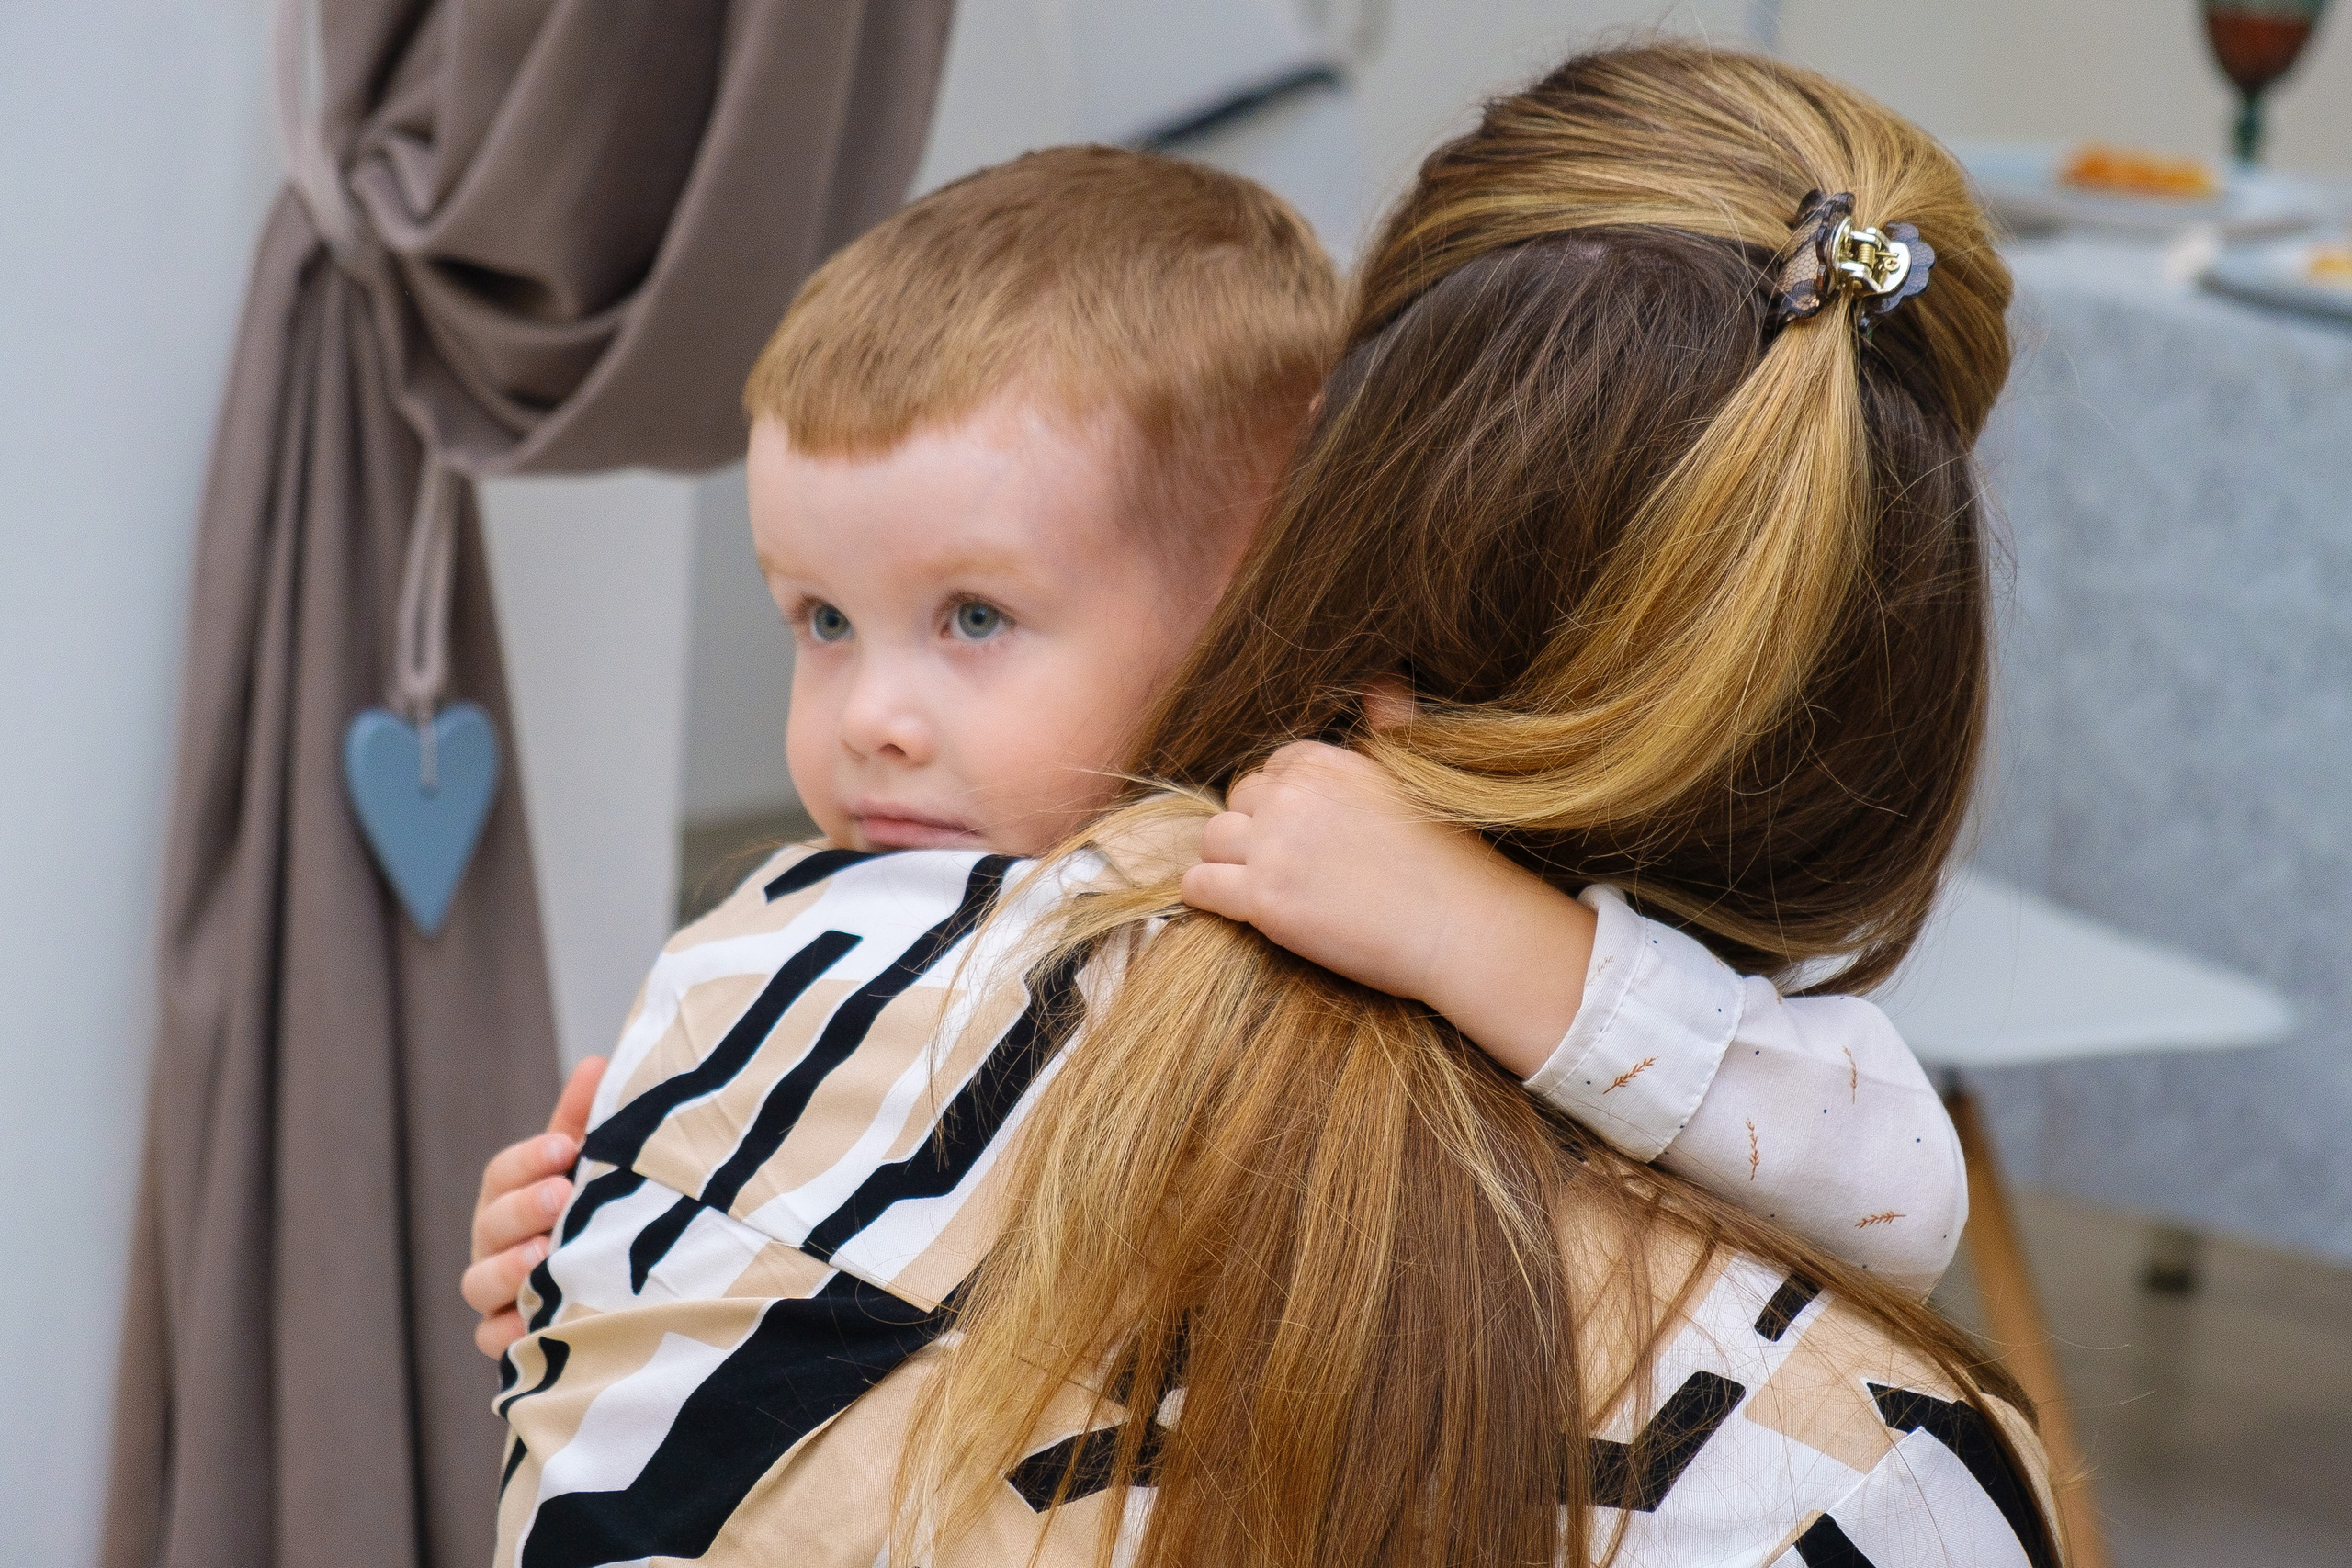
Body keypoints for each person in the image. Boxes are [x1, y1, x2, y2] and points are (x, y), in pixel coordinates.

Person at [477, 51, 2052, 1567]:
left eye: (975, 622)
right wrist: (557, 1258)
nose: (872, 723)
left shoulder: (783, 983)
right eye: (815, 621)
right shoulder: (1860, 1482)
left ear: (1271, 565)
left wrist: (1472, 932)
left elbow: (1894, 1176)